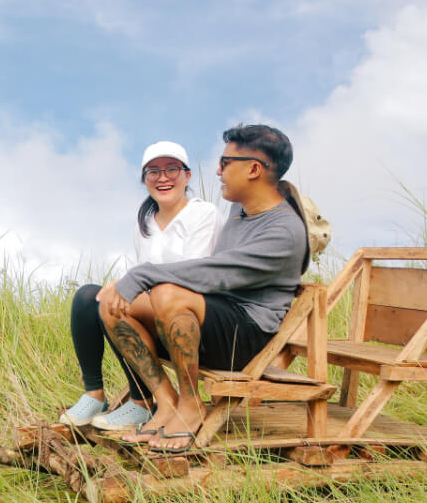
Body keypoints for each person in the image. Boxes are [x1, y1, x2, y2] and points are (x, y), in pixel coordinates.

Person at [98, 123, 308, 452]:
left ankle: (191, 404)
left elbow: (217, 274)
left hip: (247, 339)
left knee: (167, 293)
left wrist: (145, 274)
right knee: (111, 303)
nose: (218, 170)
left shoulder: (283, 231)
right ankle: (166, 404)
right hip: (216, 318)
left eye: (226, 162)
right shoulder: (241, 207)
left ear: (253, 169)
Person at [60, 141, 220, 431]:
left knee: (114, 301)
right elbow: (142, 275)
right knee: (89, 296)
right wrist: (120, 283)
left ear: (187, 176)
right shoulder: (144, 223)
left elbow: (194, 275)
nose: (163, 177)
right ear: (144, 180)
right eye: (153, 172)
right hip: (155, 315)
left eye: (172, 169)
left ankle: (141, 400)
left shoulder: (203, 214)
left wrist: (127, 286)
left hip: (188, 320)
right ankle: (94, 393)